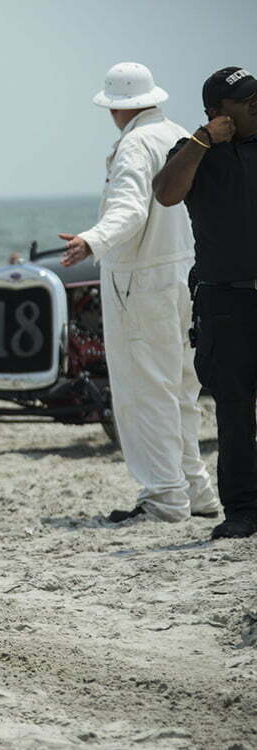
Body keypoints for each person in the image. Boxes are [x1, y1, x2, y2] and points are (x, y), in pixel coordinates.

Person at [59, 61, 219, 526]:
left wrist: (93, 239)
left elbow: (129, 209)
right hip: (187, 272)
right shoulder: (179, 136)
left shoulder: (134, 146)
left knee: (144, 390)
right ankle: (196, 490)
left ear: (115, 108)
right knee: (182, 388)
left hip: (142, 278)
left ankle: (166, 496)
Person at [153, 65, 257, 538]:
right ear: (219, 113)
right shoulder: (194, 154)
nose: (255, 102)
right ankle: (242, 511)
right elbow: (167, 193)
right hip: (225, 304)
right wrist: (202, 140)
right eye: (245, 98)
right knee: (234, 410)